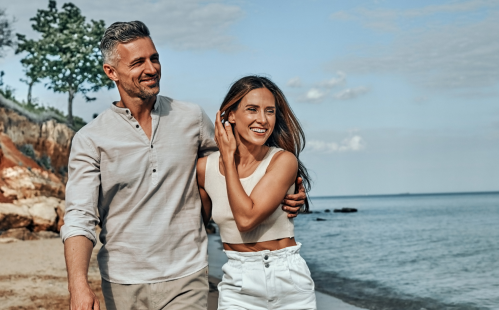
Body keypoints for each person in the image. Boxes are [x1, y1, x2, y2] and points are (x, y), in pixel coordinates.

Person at [60, 21, 306, 310]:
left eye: (155, 58)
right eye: (138, 62)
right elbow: (79, 216)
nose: (151, 68)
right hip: (122, 280)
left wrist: (285, 195)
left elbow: (237, 165)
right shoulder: (90, 138)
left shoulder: (190, 117)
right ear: (111, 72)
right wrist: (78, 285)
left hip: (187, 277)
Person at [197, 76, 317, 310]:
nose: (262, 120)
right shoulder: (204, 169)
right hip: (237, 281)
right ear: (231, 114)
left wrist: (229, 160)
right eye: (252, 109)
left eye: (270, 111)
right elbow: (192, 224)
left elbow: (246, 219)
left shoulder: (283, 161)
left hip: (288, 280)